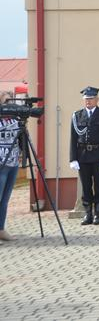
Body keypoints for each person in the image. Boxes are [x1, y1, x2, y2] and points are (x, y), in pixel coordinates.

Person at [69, 86, 99, 225]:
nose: (88, 101)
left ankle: (97, 214)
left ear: (97, 99)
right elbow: (73, 138)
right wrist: (73, 158)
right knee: (86, 186)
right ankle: (88, 214)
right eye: (86, 99)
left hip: (98, 154)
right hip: (83, 156)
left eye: (91, 98)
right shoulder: (77, 115)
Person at [0, 91, 20, 241]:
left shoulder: (16, 119)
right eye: (6, 101)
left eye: (11, 101)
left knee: (5, 199)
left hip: (13, 162)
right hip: (1, 163)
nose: (9, 104)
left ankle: (1, 229)